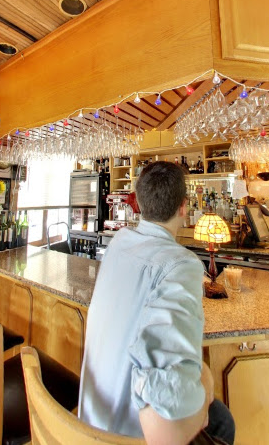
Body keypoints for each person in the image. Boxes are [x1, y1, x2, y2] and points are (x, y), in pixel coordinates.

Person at [79, 161, 235, 445]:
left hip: (91, 416)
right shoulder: (182, 264)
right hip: (127, 434)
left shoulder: (118, 242)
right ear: (184, 207)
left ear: (138, 204)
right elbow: (168, 424)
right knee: (223, 422)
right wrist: (206, 382)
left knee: (220, 416)